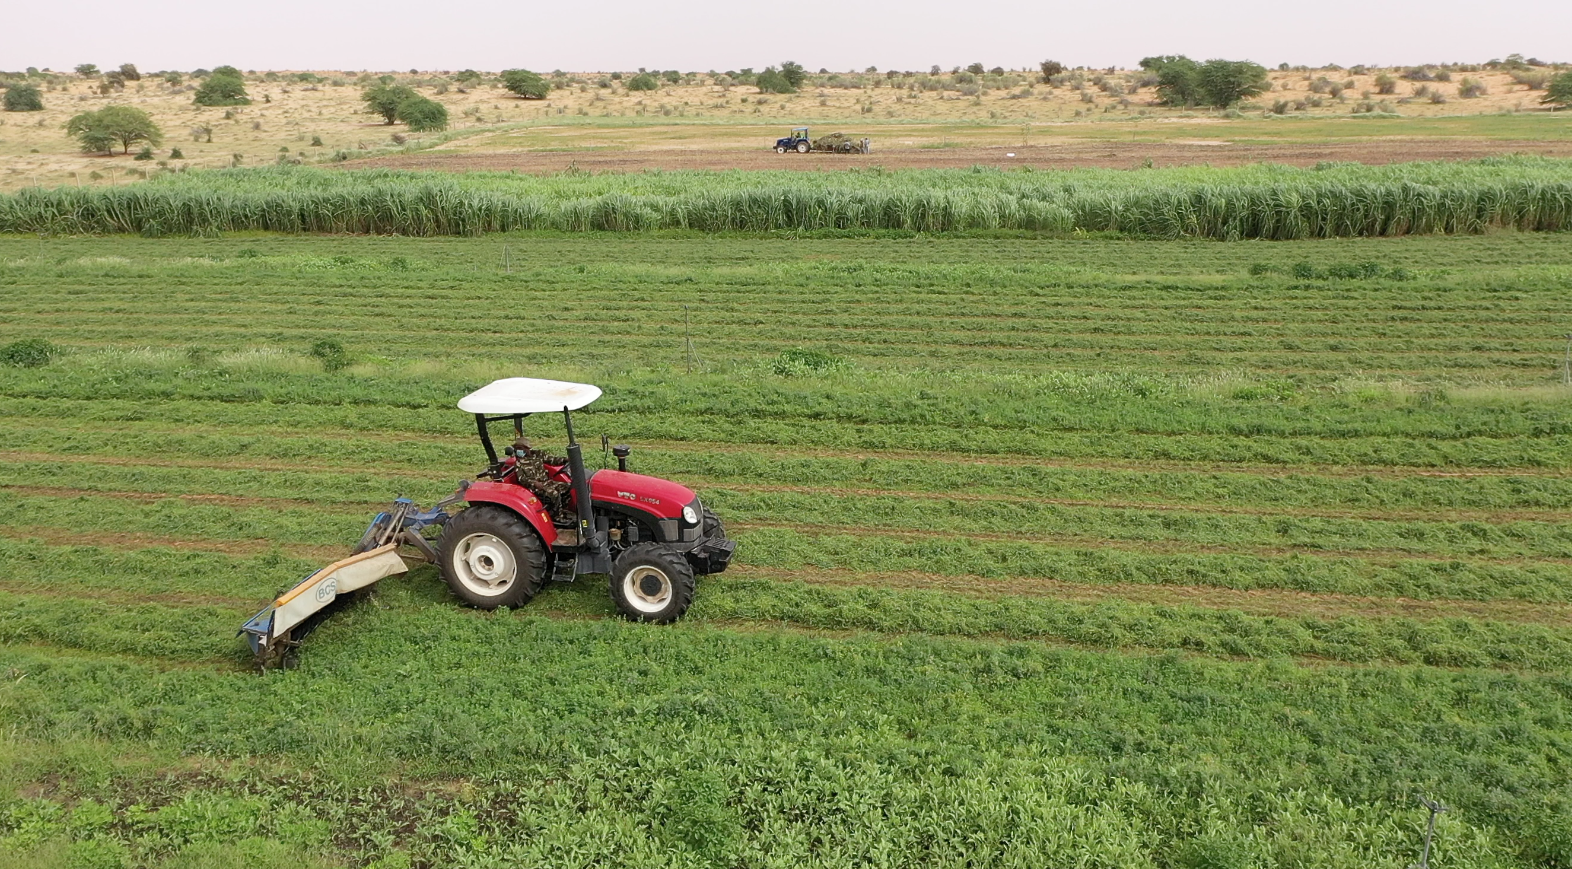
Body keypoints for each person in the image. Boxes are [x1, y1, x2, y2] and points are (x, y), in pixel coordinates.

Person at [511, 436, 574, 521]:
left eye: (520, 448)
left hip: (546, 482)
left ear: (527, 448)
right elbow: (522, 479)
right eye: (516, 449)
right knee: (554, 494)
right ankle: (557, 517)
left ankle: (561, 510)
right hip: (535, 488)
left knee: (568, 487)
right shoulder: (519, 463)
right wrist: (534, 483)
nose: (518, 451)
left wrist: (565, 460)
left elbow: (552, 460)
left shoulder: (538, 454)